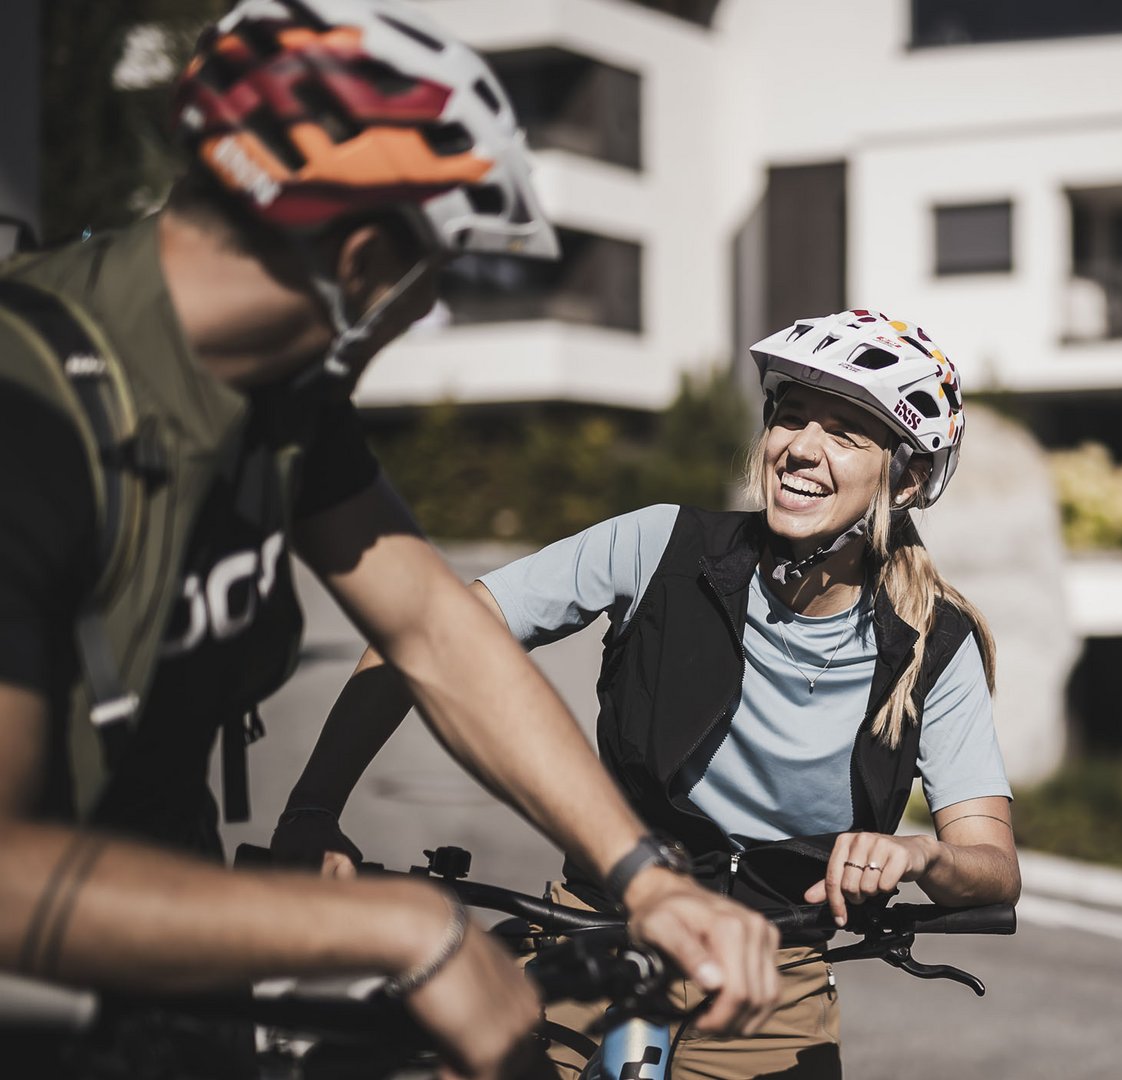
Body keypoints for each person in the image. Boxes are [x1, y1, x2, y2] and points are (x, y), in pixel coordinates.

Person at [0, 3, 777, 1076]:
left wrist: (644, 874)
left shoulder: (274, 404)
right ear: (362, 258)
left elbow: (431, 626)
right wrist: (402, 929)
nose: (430, 316)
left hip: (166, 994)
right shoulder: (27, 415)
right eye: (437, 278)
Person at [274, 309, 1022, 1078]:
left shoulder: (936, 642)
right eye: (791, 417)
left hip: (771, 985)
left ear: (907, 477)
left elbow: (992, 864)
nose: (801, 448)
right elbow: (419, 631)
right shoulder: (661, 546)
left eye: (845, 433)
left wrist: (917, 855)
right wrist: (311, 812)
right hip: (593, 941)